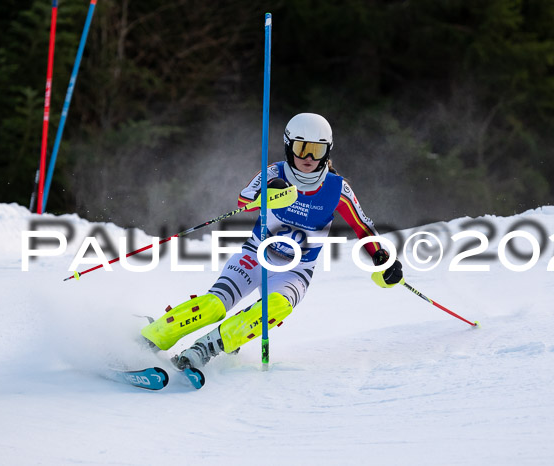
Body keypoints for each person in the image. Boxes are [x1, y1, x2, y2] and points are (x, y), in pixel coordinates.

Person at [140, 113, 403, 369]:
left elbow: (363, 228)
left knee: (274, 308)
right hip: (254, 256)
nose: (309, 158)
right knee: (214, 305)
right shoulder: (274, 172)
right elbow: (243, 201)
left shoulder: (337, 188)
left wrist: (382, 258)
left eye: (317, 150)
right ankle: (150, 338)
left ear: (328, 151)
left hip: (296, 271)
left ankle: (209, 347)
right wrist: (266, 193)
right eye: (302, 148)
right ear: (289, 147)